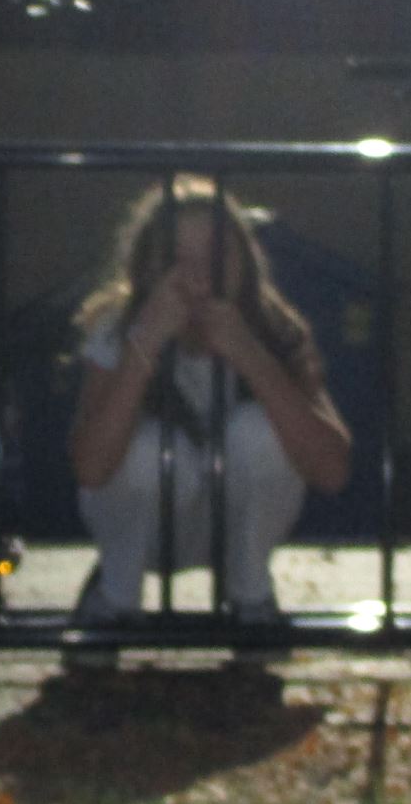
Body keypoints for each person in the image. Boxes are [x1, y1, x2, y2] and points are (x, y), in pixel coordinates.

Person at [68, 176, 351, 628]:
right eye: (177, 258)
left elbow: (332, 470)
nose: (198, 274)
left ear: (244, 263)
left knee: (258, 431)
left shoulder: (273, 327)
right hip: (148, 528)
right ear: (148, 267)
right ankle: (114, 599)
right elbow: (90, 467)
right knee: (150, 447)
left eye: (216, 255)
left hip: (237, 528)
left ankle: (251, 599)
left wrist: (251, 355)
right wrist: (145, 342)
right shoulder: (118, 327)